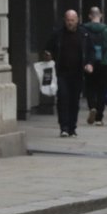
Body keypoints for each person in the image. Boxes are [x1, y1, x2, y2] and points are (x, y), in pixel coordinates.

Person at [41, 9, 93, 137]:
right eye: (68, 20)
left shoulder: (84, 34)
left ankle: (72, 127)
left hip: (77, 73)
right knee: (63, 99)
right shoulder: (58, 35)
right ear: (64, 20)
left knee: (74, 101)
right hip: (61, 73)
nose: (70, 23)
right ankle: (63, 127)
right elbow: (48, 49)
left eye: (72, 20)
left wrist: (90, 63)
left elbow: (90, 52)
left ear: (77, 20)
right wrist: (47, 55)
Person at [81, 6, 107, 126]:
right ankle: (99, 118)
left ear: (90, 16)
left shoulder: (83, 29)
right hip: (105, 63)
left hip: (89, 63)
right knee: (102, 90)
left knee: (90, 87)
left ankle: (92, 107)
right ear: (100, 15)